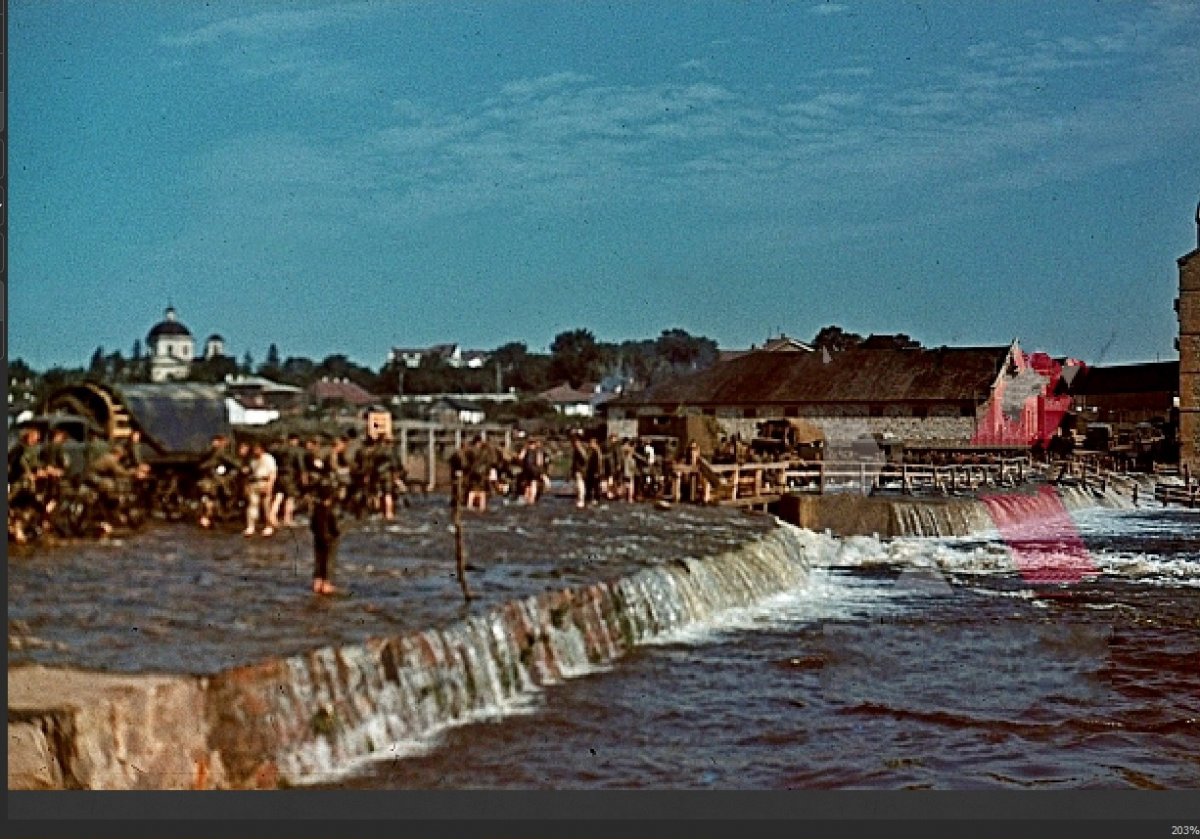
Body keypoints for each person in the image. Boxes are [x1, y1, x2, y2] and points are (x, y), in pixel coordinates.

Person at [310, 483, 341, 596]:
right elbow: (335, 527)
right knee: (328, 562)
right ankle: (326, 584)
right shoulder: (331, 511)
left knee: (318, 561)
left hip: (318, 538)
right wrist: (336, 535)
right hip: (329, 540)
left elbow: (312, 525)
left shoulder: (316, 510)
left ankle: (316, 583)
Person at [244, 440, 278, 537]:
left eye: (257, 449)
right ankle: (251, 527)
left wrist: (270, 485)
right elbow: (249, 473)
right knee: (252, 505)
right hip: (254, 483)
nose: (255, 451)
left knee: (266, 506)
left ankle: (268, 527)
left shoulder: (268, 458)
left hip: (265, 482)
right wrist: (247, 485)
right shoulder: (252, 460)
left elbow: (273, 473)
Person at [570, 434, 589, 509]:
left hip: (580, 470)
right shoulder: (577, 449)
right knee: (579, 485)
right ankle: (580, 499)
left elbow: (585, 459)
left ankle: (581, 500)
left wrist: (581, 468)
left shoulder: (580, 449)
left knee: (580, 485)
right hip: (578, 470)